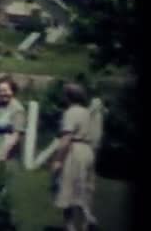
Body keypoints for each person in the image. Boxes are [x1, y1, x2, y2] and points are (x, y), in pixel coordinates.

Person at [51, 83, 97, 231]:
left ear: (69, 97)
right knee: (83, 187)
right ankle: (86, 219)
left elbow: (66, 138)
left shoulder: (70, 112)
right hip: (88, 150)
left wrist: (58, 159)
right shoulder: (86, 112)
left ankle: (70, 227)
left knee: (68, 188)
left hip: (74, 150)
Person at [0, 76, 27, 163]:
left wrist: (4, 154)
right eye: (0, 91)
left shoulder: (17, 109)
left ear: (12, 91)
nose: (2, 93)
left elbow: (16, 134)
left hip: (7, 153)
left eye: (5, 90)